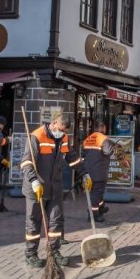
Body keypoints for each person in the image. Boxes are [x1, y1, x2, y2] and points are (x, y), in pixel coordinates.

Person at [21, 112, 88, 268]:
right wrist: (33, 180)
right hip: (36, 187)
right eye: (62, 129)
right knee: (34, 222)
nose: (63, 133)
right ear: (55, 123)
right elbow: (26, 162)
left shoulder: (63, 138)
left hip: (55, 187)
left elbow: (71, 157)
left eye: (65, 131)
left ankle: (54, 252)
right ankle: (31, 254)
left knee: (56, 220)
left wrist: (84, 173)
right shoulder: (37, 136)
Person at [82, 119, 124, 222]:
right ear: (102, 128)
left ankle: (101, 208)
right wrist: (113, 147)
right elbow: (107, 152)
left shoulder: (88, 138)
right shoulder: (103, 139)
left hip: (88, 170)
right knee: (96, 193)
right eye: (104, 127)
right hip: (99, 171)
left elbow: (83, 155)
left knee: (98, 192)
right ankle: (94, 215)